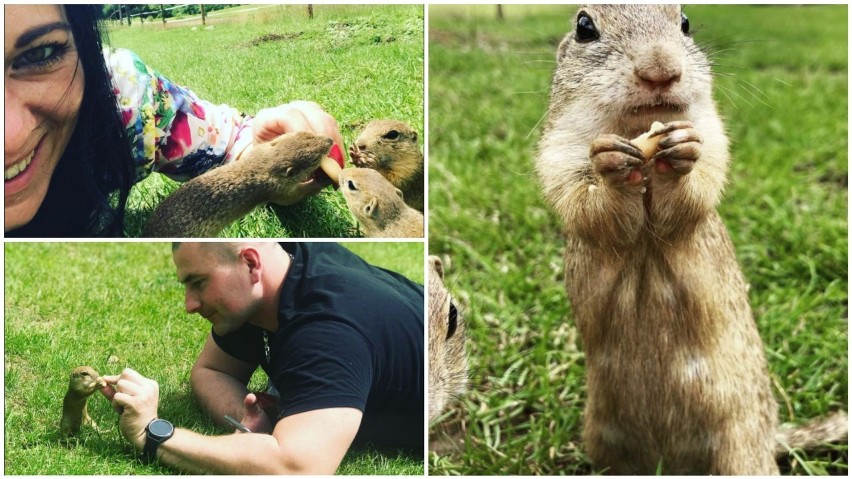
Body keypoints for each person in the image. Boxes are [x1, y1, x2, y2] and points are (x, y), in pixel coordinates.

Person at [4, 5, 344, 237]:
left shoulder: (127, 99)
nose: (11, 138)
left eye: (41, 53)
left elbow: (228, 145)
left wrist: (268, 142)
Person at [100, 242, 424, 474]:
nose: (189, 304)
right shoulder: (277, 275)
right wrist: (245, 415)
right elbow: (210, 370)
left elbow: (297, 467)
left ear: (252, 264)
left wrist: (154, 434)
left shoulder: (325, 330)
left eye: (198, 283)